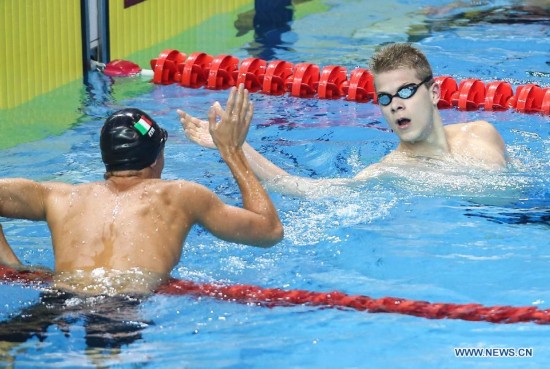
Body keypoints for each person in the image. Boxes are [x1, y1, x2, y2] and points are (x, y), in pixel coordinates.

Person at [0, 84, 283, 296]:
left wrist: (13, 267)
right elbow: (269, 232)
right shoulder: (181, 195)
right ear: (157, 158)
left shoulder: (60, 197)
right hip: (123, 310)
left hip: (56, 303)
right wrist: (232, 151)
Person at [179, 43, 508, 197]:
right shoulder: (389, 171)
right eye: (385, 98)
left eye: (406, 92)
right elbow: (301, 187)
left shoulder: (480, 132)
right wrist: (235, 149)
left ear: (434, 93)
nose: (395, 105)